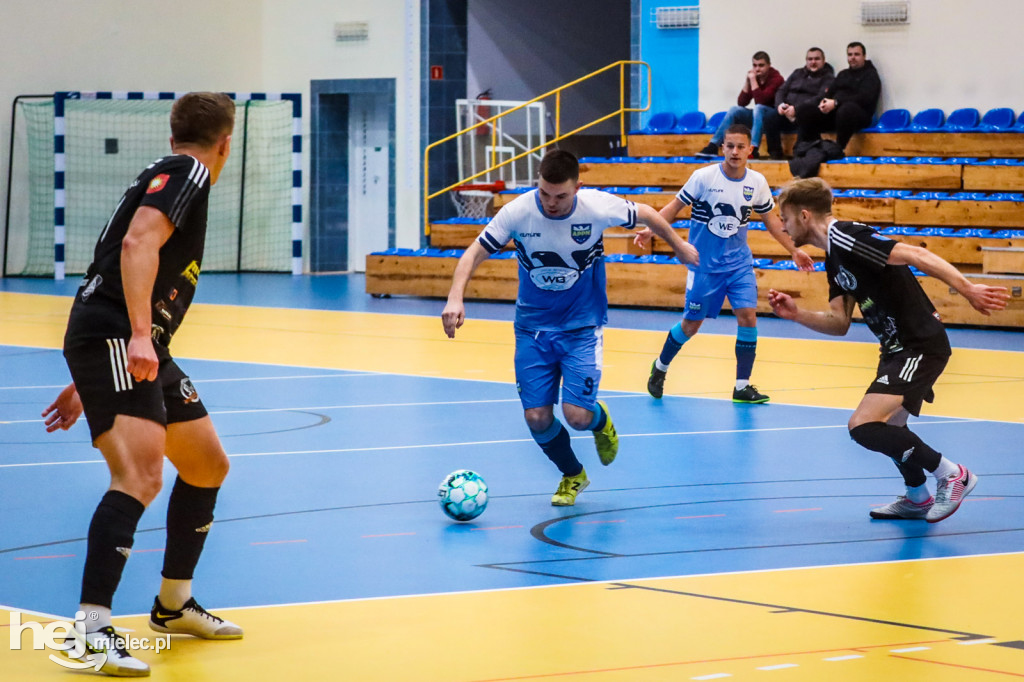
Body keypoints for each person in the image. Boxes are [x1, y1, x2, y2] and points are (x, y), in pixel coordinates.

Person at [42, 92, 243, 677]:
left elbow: (115, 255)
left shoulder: (168, 169)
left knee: (206, 464)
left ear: (172, 128)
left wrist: (90, 378)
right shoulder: (191, 170)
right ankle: (90, 628)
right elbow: (135, 246)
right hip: (125, 338)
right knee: (139, 476)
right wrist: (133, 336)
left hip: (132, 343)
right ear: (226, 142)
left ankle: (173, 605)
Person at [442, 150, 699, 506]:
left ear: (578, 188)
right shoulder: (518, 212)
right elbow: (472, 253)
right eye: (544, 193)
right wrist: (456, 297)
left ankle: (600, 420)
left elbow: (647, 213)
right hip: (532, 328)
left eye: (561, 196)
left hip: (581, 326)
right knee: (536, 417)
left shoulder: (595, 207)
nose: (551, 203)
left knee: (577, 416)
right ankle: (573, 474)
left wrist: (680, 245)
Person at [769, 178, 1010, 522]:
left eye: (785, 217)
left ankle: (952, 474)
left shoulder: (846, 236)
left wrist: (967, 288)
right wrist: (796, 315)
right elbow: (839, 323)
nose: (782, 225)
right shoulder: (833, 259)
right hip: (896, 349)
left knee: (863, 426)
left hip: (919, 344)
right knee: (891, 429)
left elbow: (915, 254)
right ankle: (917, 496)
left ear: (804, 216)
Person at [643, 124, 814, 403]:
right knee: (690, 325)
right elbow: (673, 209)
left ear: (750, 150)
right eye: (730, 146)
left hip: (739, 265)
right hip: (704, 266)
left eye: (740, 147)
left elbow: (772, 222)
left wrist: (794, 250)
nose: (735, 152)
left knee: (747, 316)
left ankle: (741, 386)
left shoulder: (756, 182)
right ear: (722, 147)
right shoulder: (703, 177)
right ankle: (660, 367)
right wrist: (652, 228)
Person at [794, 41, 881, 152]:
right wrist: (824, 103)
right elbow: (829, 93)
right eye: (850, 55)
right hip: (835, 115)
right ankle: (813, 145)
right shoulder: (843, 74)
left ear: (864, 56)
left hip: (857, 115)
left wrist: (836, 102)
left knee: (847, 109)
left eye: (856, 54)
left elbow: (865, 98)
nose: (852, 58)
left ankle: (838, 148)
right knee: (804, 110)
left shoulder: (871, 75)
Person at [696, 51, 784, 160]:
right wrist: (747, 82)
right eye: (755, 65)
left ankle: (753, 148)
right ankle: (713, 145)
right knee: (735, 109)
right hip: (758, 118)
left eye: (761, 65)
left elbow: (762, 100)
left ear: (769, 65)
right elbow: (742, 102)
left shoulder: (776, 78)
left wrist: (753, 80)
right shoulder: (755, 78)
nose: (757, 69)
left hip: (772, 118)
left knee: (758, 108)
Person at [774, 47, 835, 157]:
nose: (813, 62)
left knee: (806, 114)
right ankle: (774, 154)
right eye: (810, 59)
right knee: (769, 115)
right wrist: (780, 105)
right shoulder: (797, 73)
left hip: (808, 114)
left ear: (823, 60)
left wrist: (796, 110)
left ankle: (798, 153)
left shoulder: (828, 78)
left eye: (817, 59)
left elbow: (820, 97)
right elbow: (782, 90)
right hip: (788, 110)